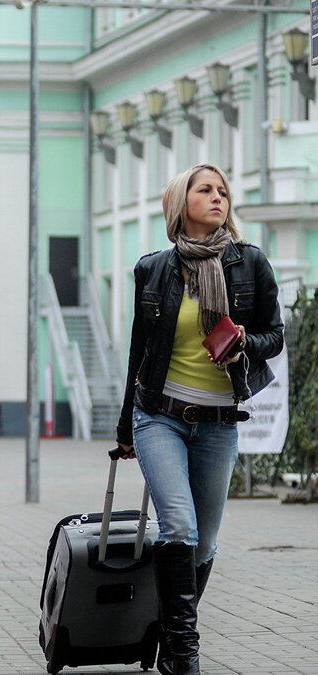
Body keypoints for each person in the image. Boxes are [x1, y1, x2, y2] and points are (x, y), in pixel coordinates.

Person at [115, 163, 282, 675]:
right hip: (159, 416)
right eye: (205, 189)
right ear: (179, 201)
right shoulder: (154, 269)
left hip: (218, 421)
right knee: (180, 526)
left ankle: (166, 637)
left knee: (205, 541)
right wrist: (126, 429)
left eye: (223, 191)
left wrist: (243, 347)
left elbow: (274, 335)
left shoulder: (250, 263)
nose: (218, 198)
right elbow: (139, 352)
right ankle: (183, 655)